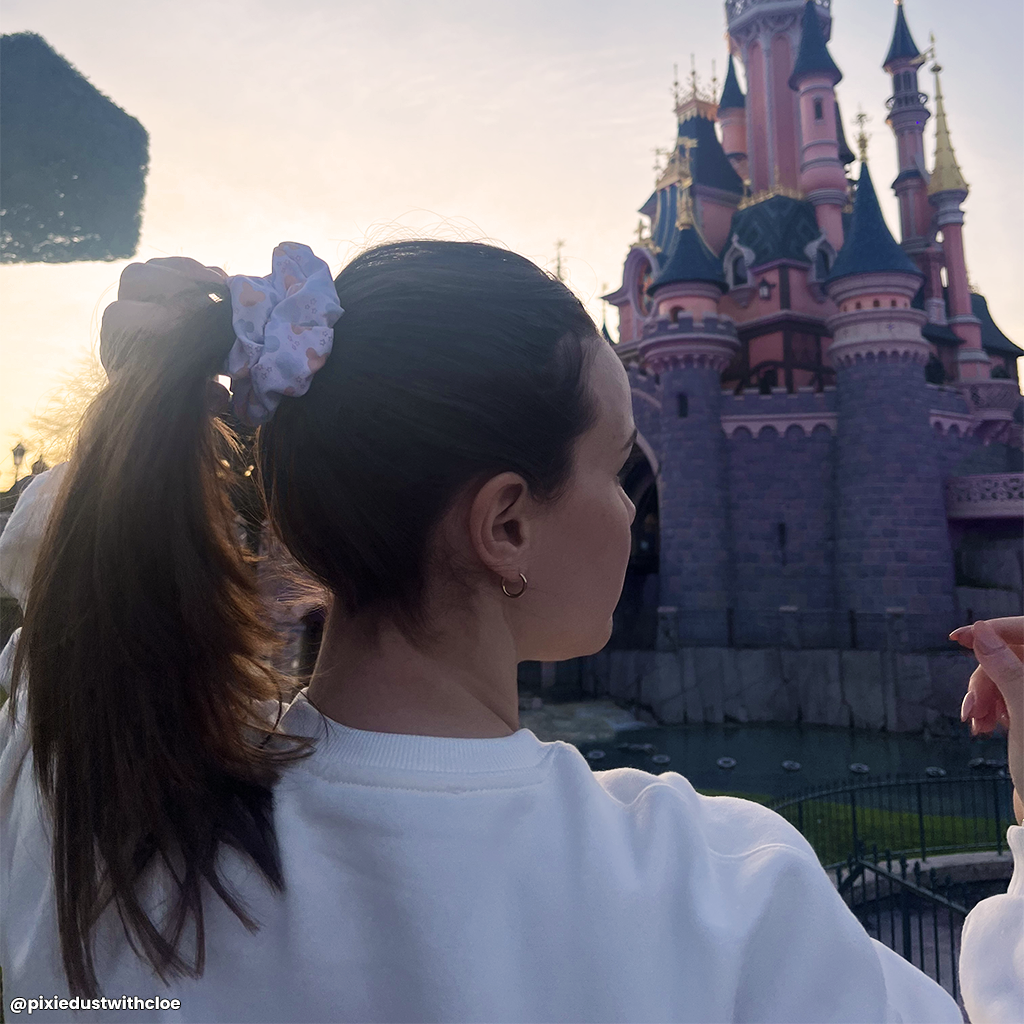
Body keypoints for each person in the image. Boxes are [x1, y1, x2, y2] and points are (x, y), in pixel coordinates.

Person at [0, 240, 1018, 1023]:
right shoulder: (714, 893)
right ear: (506, 524)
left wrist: (151, 398)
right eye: (619, 466)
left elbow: (63, 579)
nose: (635, 510)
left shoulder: (88, 811)